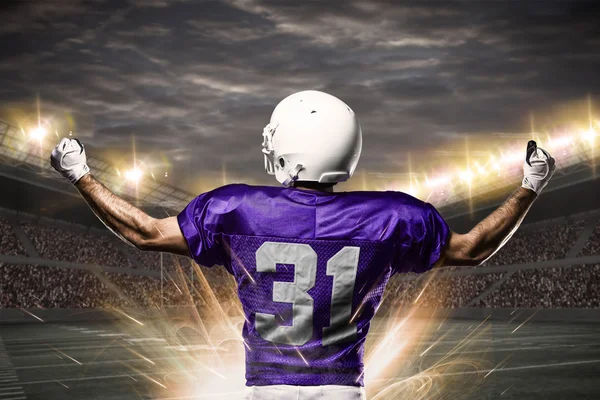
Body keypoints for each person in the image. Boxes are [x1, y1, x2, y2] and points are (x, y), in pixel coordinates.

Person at [50, 90, 555, 400]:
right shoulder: (393, 215)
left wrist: (81, 176)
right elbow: (472, 248)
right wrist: (531, 184)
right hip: (342, 389)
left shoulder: (238, 208)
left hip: (265, 388)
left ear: (289, 151)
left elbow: (143, 232)